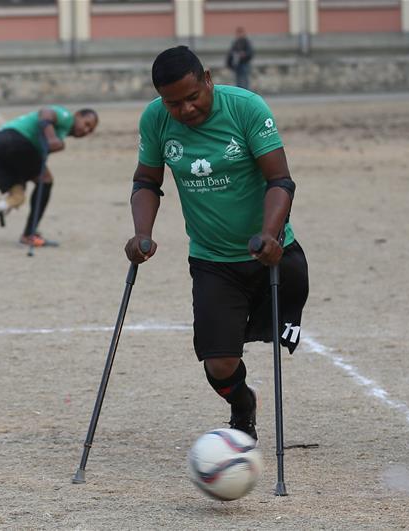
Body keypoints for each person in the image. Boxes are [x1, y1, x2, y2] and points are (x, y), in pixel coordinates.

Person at [125, 46, 308, 441]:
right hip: (213, 261)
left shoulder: (246, 108)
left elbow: (280, 180)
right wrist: (142, 233)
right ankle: (243, 404)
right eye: (173, 103)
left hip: (271, 253)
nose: (185, 109)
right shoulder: (155, 119)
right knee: (219, 364)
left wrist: (270, 234)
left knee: (273, 335)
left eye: (193, 97)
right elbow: (146, 181)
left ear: (207, 78)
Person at [0, 106, 98, 247]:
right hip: (16, 139)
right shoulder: (66, 117)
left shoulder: (61, 134)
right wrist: (51, 138)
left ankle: (5, 204)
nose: (86, 130)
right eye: (86, 124)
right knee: (45, 180)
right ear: (77, 115)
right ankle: (29, 234)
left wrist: (55, 143)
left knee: (18, 194)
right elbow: (46, 112)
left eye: (90, 130)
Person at [226, 27, 254, 91]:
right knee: (238, 82)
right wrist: (230, 63)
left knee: (245, 81)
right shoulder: (235, 42)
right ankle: (240, 93)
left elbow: (250, 53)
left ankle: (245, 93)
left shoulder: (246, 42)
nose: (239, 35)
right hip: (237, 65)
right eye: (238, 33)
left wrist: (244, 54)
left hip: (244, 64)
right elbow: (230, 53)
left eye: (240, 33)